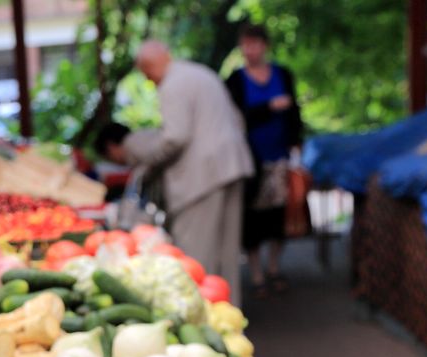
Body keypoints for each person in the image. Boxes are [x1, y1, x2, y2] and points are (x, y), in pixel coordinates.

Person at [100, 41, 254, 304]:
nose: (149, 81)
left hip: (202, 177)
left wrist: (148, 163)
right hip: (232, 165)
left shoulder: (172, 85)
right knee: (228, 255)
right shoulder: (200, 73)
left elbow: (175, 137)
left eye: (146, 75)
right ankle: (231, 316)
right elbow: (237, 120)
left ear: (149, 67)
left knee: (196, 257)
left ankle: (202, 321)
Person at [226, 22, 303, 296]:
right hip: (250, 158)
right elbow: (233, 118)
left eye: (255, 43)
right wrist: (268, 108)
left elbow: (295, 114)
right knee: (253, 217)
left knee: (279, 215)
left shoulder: (282, 74)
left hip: (279, 156)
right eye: (246, 44)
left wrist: (296, 146)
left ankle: (274, 267)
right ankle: (257, 273)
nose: (251, 49)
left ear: (265, 46)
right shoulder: (235, 80)